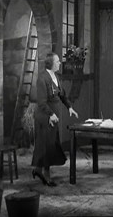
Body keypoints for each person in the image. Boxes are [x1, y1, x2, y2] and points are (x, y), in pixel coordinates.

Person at [31, 52, 78, 186]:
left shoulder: (56, 76)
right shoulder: (42, 79)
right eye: (57, 61)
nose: (59, 63)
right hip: (45, 117)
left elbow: (61, 95)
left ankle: (38, 170)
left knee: (50, 145)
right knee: (46, 146)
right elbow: (41, 102)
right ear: (50, 63)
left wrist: (69, 107)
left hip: (53, 118)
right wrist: (50, 114)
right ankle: (46, 176)